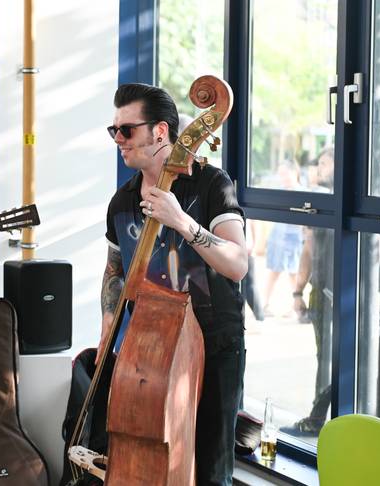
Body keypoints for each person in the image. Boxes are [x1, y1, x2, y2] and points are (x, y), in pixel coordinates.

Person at [98, 83, 247, 485]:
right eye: (113, 131)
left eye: (126, 130)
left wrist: (183, 222)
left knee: (212, 469)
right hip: (150, 345)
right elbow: (115, 270)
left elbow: (237, 263)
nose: (118, 140)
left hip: (213, 342)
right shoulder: (122, 200)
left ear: (160, 131)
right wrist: (108, 331)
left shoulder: (212, 185)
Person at [282, 147, 335, 436]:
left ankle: (317, 419)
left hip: (335, 293)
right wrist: (298, 291)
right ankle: (320, 417)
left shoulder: (326, 200)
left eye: (325, 162)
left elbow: (308, 248)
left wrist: (297, 291)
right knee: (326, 357)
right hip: (325, 291)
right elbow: (308, 248)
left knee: (329, 358)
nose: (319, 167)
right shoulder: (321, 199)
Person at [262, 160, 304, 317]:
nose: (283, 178)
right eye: (281, 175)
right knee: (274, 271)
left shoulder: (302, 192)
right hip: (277, 237)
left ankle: (296, 307)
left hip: (294, 237)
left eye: (285, 174)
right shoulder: (279, 191)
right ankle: (264, 304)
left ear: (295, 172)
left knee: (294, 273)